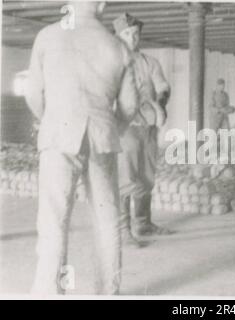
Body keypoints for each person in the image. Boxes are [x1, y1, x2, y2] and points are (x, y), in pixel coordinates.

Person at [25, 1, 138, 295]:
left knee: (54, 219)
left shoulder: (47, 37)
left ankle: (50, 291)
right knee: (107, 219)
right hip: (102, 137)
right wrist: (111, 128)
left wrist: (52, 120)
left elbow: (33, 94)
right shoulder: (119, 48)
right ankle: (108, 292)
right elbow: (129, 106)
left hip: (58, 137)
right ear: (101, 5)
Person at [113, 13, 172, 245]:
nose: (133, 38)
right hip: (124, 127)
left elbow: (163, 87)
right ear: (118, 36)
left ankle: (143, 223)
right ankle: (123, 229)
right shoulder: (113, 62)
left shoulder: (149, 62)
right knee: (126, 177)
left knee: (147, 176)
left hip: (147, 125)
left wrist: (160, 105)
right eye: (127, 34)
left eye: (136, 34)